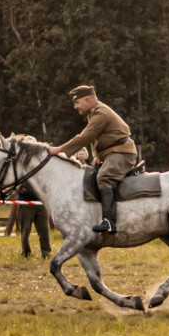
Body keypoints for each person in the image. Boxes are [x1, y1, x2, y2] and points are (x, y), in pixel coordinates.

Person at [48, 85, 137, 234]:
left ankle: (109, 222)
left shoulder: (101, 114)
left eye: (77, 103)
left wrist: (59, 150)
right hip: (113, 152)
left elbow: (85, 137)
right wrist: (96, 156)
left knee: (104, 178)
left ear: (88, 100)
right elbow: (95, 139)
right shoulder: (94, 113)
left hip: (122, 153)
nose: (75, 107)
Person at [15, 183, 50, 259]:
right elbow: (16, 184)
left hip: (41, 204)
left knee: (44, 230)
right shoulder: (23, 173)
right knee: (25, 230)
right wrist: (22, 189)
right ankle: (26, 253)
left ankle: (46, 253)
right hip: (25, 204)